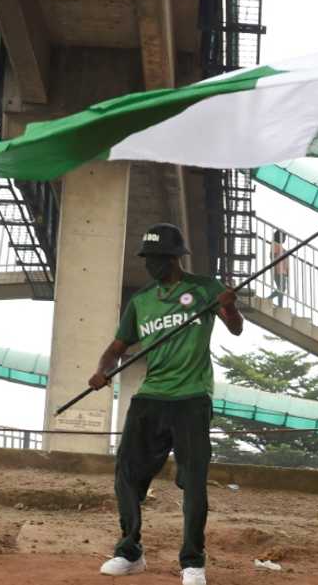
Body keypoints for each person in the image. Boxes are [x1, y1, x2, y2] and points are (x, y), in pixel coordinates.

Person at [90, 223, 243, 585]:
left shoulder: (205, 288)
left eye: (158, 258)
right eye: (148, 259)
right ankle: (129, 552)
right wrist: (102, 371)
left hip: (191, 398)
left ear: (175, 257)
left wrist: (230, 307)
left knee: (194, 481)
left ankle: (193, 562)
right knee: (126, 474)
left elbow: (235, 328)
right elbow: (116, 349)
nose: (152, 265)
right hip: (150, 397)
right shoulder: (141, 301)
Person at [270, 229, 289, 307]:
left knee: (282, 288)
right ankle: (272, 300)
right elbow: (272, 256)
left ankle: (278, 303)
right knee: (282, 288)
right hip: (278, 270)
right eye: (283, 237)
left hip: (283, 271)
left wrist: (287, 272)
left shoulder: (280, 246)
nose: (284, 239)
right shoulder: (275, 244)